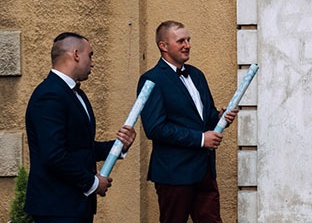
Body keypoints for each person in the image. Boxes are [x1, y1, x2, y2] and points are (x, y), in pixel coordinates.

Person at [24, 32, 136, 223]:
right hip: (57, 206)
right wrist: (92, 183)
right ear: (76, 54)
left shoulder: (75, 93)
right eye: (90, 55)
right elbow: (54, 155)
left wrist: (119, 146)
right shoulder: (49, 95)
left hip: (75, 206)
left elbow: (81, 147)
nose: (92, 62)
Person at [138, 20, 237, 223]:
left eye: (188, 40)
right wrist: (201, 139)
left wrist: (220, 118)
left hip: (204, 171)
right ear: (163, 46)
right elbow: (155, 128)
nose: (187, 45)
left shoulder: (197, 75)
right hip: (174, 174)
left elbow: (205, 116)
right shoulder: (152, 79)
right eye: (181, 40)